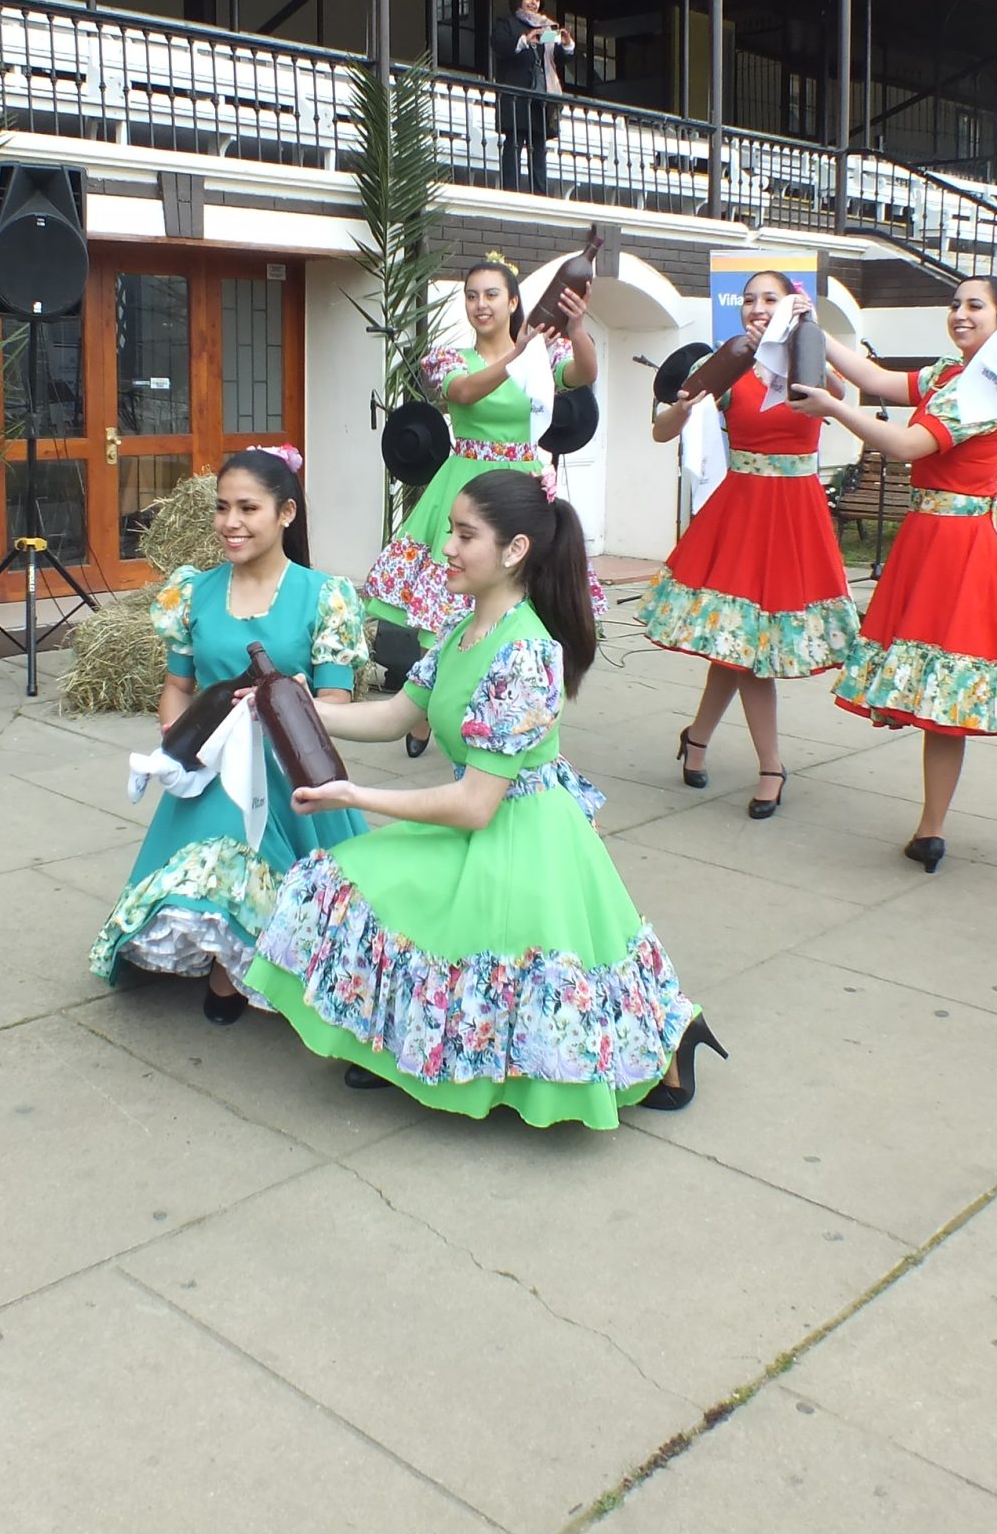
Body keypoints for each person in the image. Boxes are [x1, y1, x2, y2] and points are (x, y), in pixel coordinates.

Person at [247, 470, 721, 1123]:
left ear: (515, 550)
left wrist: (352, 795)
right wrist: (295, 704)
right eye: (451, 529)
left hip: (518, 832)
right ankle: (397, 1050)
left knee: (525, 976)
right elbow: (393, 717)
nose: (447, 545)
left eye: (466, 534)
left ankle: (675, 1038)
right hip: (482, 813)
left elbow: (475, 805)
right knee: (343, 886)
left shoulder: (524, 653)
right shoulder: (458, 631)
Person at [785, 276, 997, 882]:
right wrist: (815, 332)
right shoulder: (950, 376)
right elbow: (879, 380)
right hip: (933, 546)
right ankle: (931, 830)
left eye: (974, 306)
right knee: (941, 693)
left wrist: (832, 407)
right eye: (954, 305)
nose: (959, 314)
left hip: (968, 553)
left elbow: (906, 446)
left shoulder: (982, 392)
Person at [88, 449, 368, 1021]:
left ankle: (241, 967)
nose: (230, 522)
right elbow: (177, 686)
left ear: (286, 513)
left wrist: (285, 701)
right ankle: (226, 961)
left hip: (288, 765)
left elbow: (336, 700)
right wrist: (174, 734)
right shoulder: (193, 592)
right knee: (216, 859)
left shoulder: (325, 597)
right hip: (213, 766)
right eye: (221, 508)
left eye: (247, 508)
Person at [361, 256, 603, 752]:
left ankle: (503, 701)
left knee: (526, 594)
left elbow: (583, 373)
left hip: (521, 486)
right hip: (467, 482)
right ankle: (428, 700)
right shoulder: (452, 359)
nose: (480, 304)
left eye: (491, 294)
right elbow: (463, 394)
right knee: (451, 599)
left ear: (514, 302)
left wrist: (576, 329)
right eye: (471, 295)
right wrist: (517, 354)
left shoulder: (543, 357)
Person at [641, 270, 858, 818]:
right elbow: (662, 431)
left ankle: (697, 739)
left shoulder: (811, 361)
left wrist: (807, 341)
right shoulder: (726, 363)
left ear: (792, 305)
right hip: (740, 511)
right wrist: (685, 405)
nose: (759, 308)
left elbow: (839, 398)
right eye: (751, 299)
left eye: (772, 299)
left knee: (740, 649)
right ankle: (771, 766)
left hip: (794, 516)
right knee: (747, 651)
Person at [491, 0, 573, 194]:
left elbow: (556, 58)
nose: (533, 2)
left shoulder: (545, 27)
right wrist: (525, 40)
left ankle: (540, 191)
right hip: (516, 93)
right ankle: (511, 189)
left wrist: (566, 44)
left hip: (539, 95)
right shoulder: (507, 23)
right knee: (514, 142)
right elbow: (499, 46)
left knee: (538, 145)